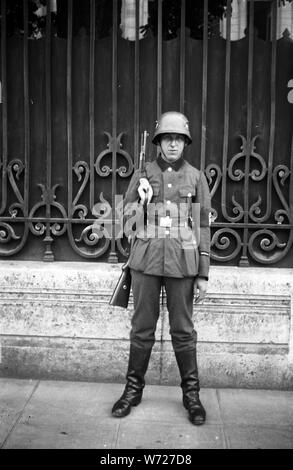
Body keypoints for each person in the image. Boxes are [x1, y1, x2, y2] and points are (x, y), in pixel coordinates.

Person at [111, 111, 211, 425]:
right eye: (167, 138)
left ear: (185, 142)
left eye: (178, 138)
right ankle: (132, 390)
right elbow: (124, 224)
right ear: (158, 142)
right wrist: (140, 201)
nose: (172, 144)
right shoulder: (143, 174)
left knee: (183, 331)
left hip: (183, 261)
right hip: (146, 260)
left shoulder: (195, 177)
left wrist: (204, 273)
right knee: (142, 328)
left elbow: (203, 225)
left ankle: (191, 395)